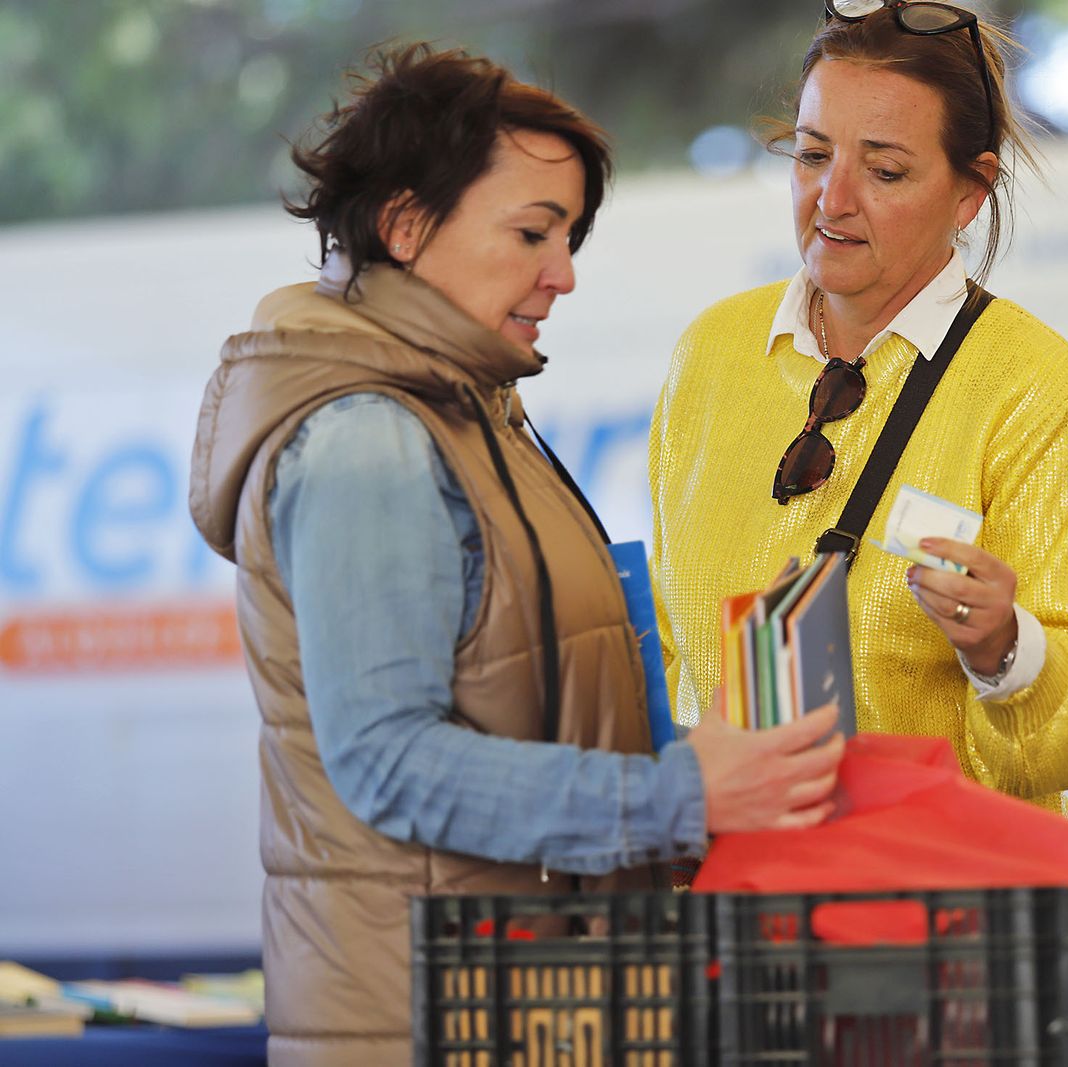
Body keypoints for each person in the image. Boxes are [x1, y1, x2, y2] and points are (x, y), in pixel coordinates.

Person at [187, 44, 843, 1066]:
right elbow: (391, 761)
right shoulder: (370, 441)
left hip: (518, 1008)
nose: (563, 273)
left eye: (570, 236)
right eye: (533, 231)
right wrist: (682, 795)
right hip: (424, 1022)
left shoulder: (473, 415)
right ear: (406, 226)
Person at [650, 2, 1068, 815]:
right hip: (740, 908)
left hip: (941, 921)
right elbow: (673, 666)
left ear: (971, 192)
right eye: (812, 155)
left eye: (884, 172)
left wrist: (1008, 651)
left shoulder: (1034, 387)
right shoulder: (710, 354)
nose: (832, 198)